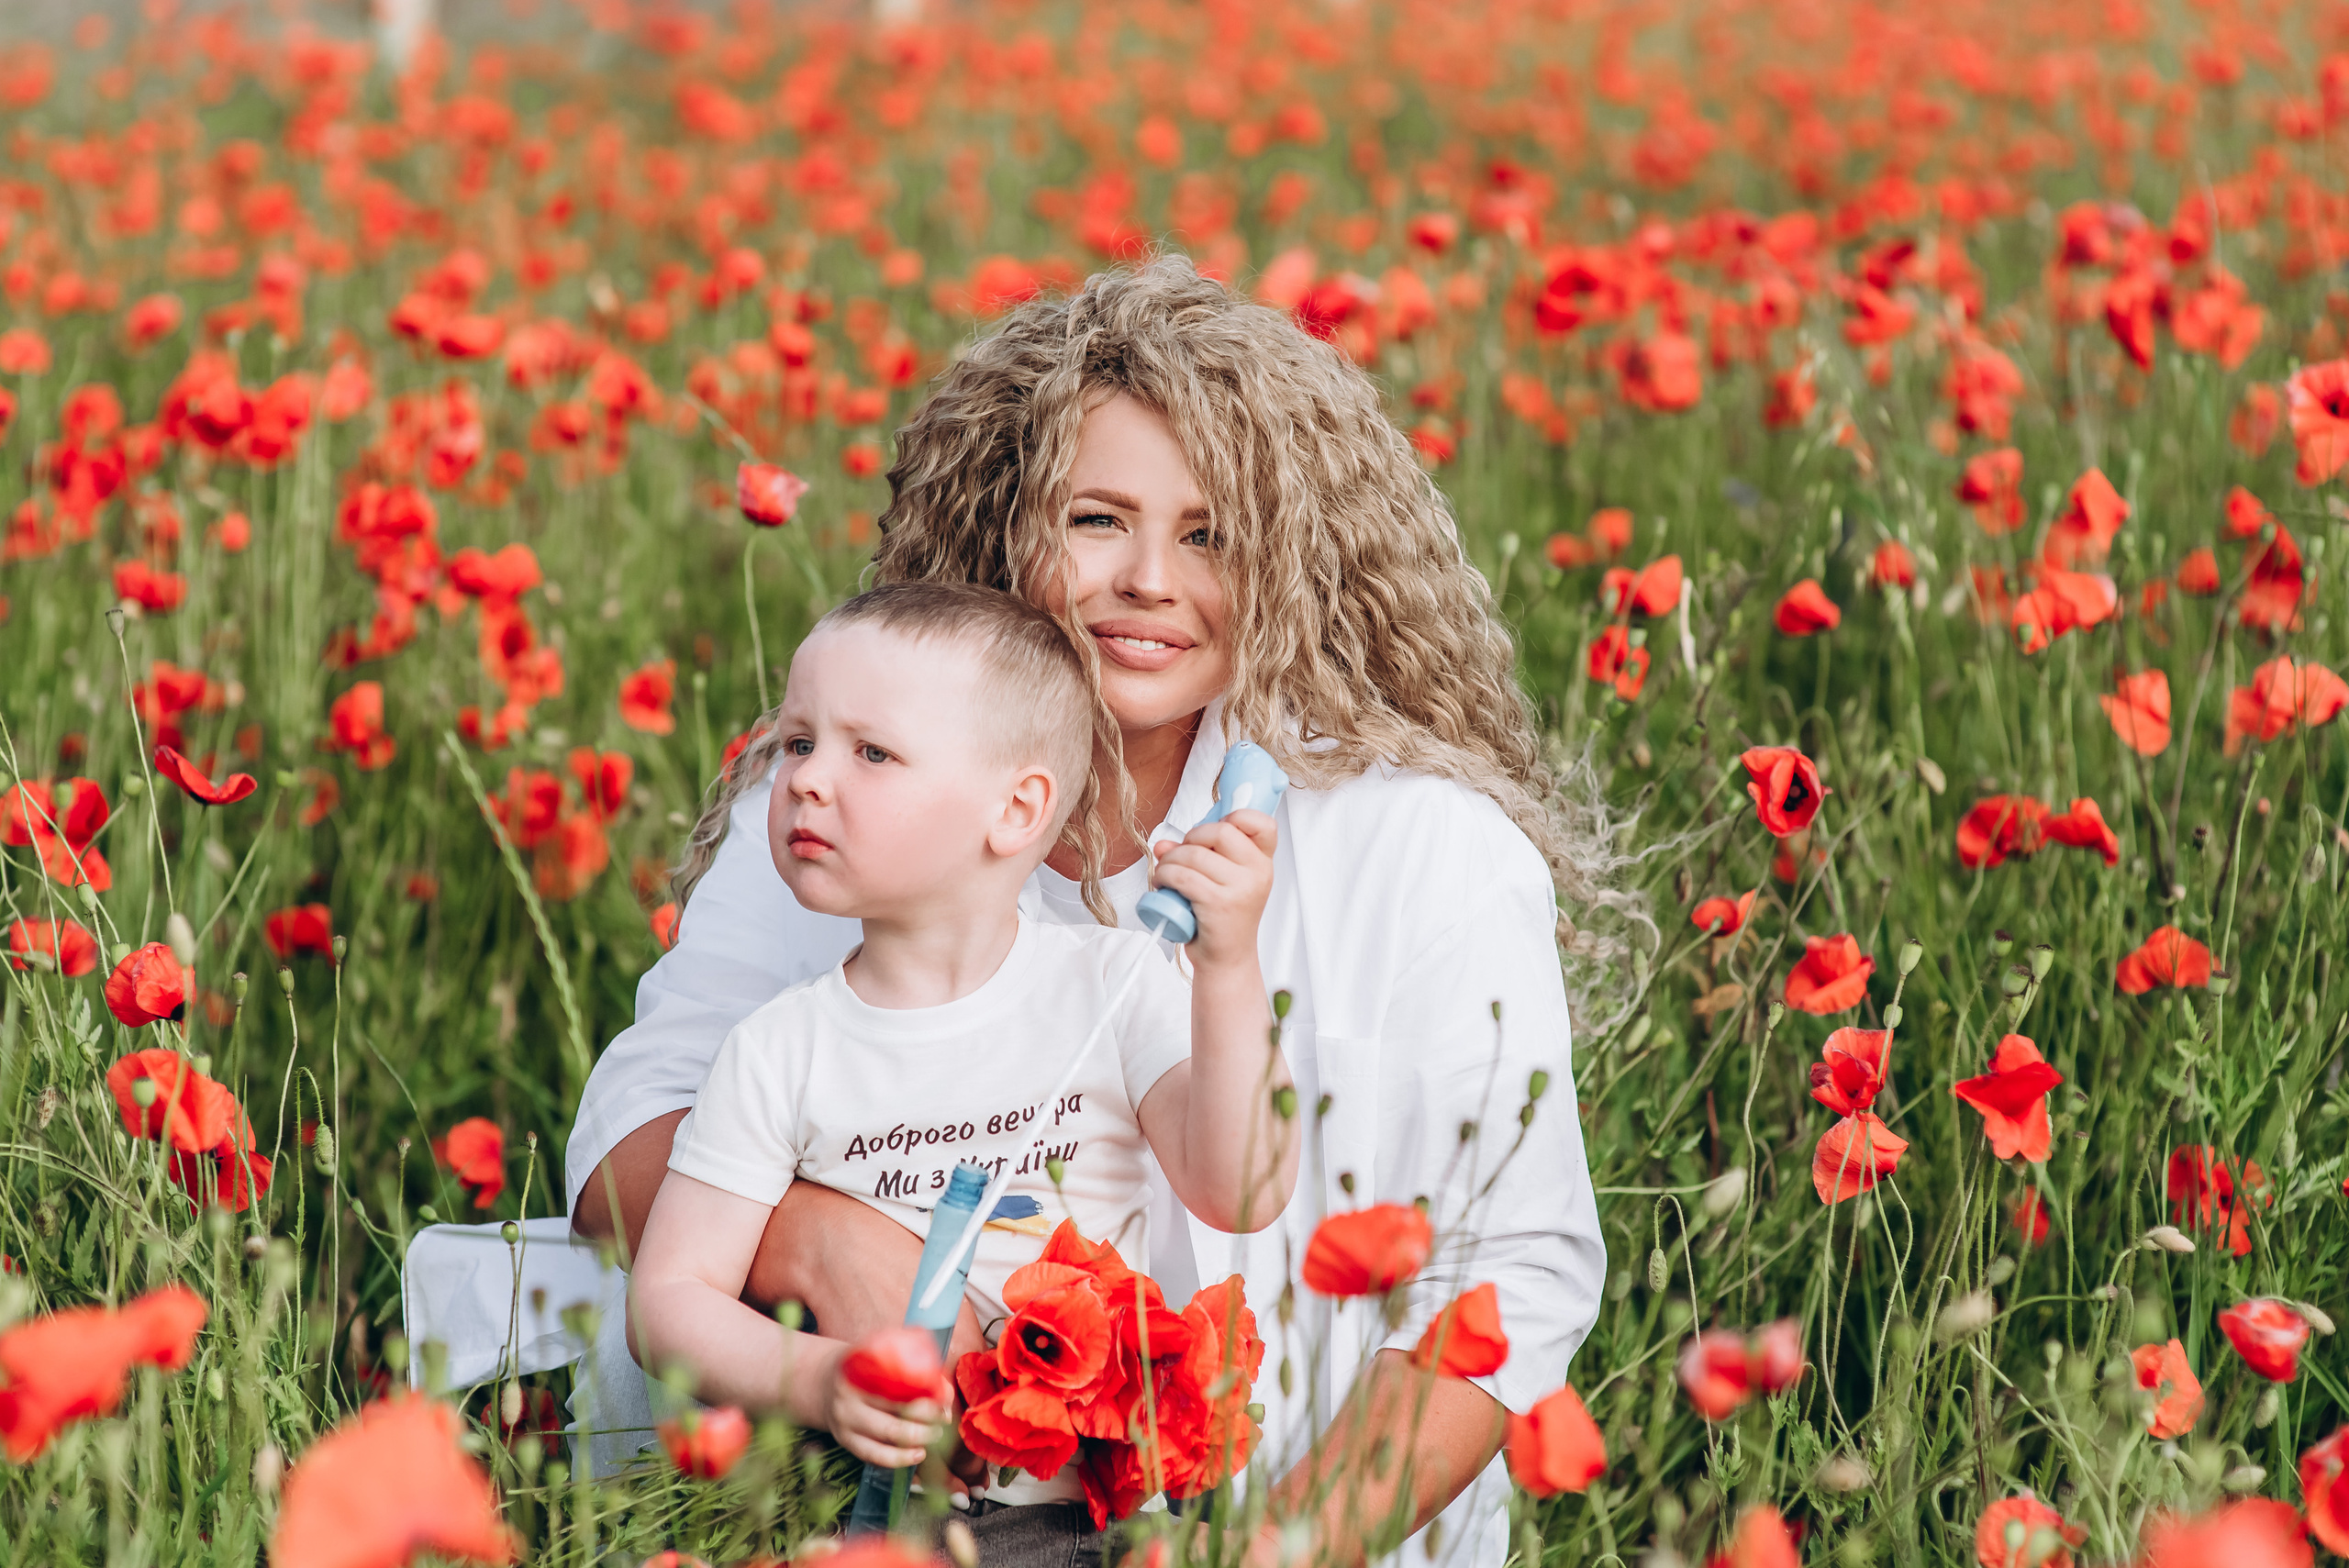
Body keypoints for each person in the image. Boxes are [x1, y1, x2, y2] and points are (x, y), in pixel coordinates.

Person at [570, 256, 1613, 1568]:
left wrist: (1272, 1552)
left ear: (1288, 558)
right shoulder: (843, 802)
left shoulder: (1424, 849)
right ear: (1010, 526)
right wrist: (828, 1236)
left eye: (1209, 535)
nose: (1149, 582)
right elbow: (619, 1157)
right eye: (1096, 520)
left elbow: (1512, 1268)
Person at [629, 582, 1299, 1529]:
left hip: (1084, 1516)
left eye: (871, 752)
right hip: (855, 1509)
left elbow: (1243, 1186)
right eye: (797, 741)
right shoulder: (780, 1049)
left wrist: (1228, 964)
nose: (810, 778)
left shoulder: (1108, 986)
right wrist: (823, 1379)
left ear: (1017, 808)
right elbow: (666, 1300)